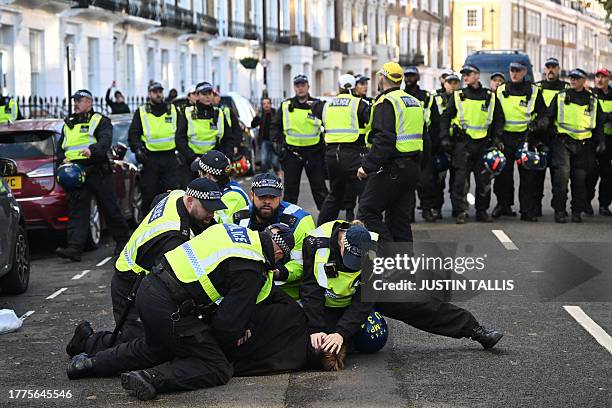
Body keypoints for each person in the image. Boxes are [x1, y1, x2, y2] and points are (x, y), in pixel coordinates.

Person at [66, 223, 296, 401]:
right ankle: (152, 378)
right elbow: (226, 327)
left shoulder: (233, 232)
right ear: (278, 253)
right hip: (170, 306)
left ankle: (87, 364)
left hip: (148, 288)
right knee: (217, 366)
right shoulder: (252, 267)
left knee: (152, 349)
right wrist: (219, 344)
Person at [300, 221, 503, 366]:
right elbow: (310, 289)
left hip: (363, 294)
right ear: (342, 243)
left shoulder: (374, 248)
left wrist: (341, 332)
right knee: (319, 350)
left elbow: (365, 298)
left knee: (417, 304)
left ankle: (475, 330)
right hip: (328, 303)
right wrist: (316, 328)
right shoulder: (315, 243)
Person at [65, 178, 225, 358]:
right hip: (131, 282)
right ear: (190, 201)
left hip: (143, 273)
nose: (212, 214)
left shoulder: (178, 195)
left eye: (214, 208)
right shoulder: (173, 237)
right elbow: (177, 284)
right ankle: (85, 342)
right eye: (207, 208)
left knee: (150, 340)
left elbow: (159, 199)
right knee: (139, 344)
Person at [55, 89, 130, 261]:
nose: (75, 104)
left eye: (79, 100)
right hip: (76, 173)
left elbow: (105, 140)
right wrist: (61, 163)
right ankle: (74, 248)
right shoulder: (69, 123)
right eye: (75, 100)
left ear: (89, 102)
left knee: (109, 208)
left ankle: (123, 243)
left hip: (97, 170)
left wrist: (92, 150)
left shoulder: (100, 121)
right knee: (77, 211)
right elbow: (62, 147)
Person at [356, 62, 424, 242]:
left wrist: (367, 167)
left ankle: (390, 256)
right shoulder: (413, 101)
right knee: (399, 220)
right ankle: (404, 268)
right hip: (411, 167)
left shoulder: (386, 102)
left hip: (392, 168)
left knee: (367, 213)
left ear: (382, 78)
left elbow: (384, 139)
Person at [233, 173, 316, 300]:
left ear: (280, 197)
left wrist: (278, 273)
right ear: (252, 195)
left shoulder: (300, 220)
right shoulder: (239, 218)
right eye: (262, 196)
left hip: (287, 293)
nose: (267, 201)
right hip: (249, 289)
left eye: (272, 197)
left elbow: (302, 264)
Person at [440, 64, 504, 223]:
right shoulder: (458, 95)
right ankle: (460, 211)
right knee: (461, 181)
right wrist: (445, 138)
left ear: (477, 75)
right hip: (463, 144)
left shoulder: (490, 96)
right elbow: (445, 118)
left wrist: (496, 138)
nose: (465, 77)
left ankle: (482, 211)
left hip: (483, 144)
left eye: (468, 74)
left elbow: (498, 119)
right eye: (464, 74)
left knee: (483, 181)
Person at [546, 68, 606, 223]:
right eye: (571, 78)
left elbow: (599, 123)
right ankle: (559, 210)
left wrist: (601, 141)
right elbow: (549, 115)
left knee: (579, 181)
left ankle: (576, 211)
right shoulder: (561, 97)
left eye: (576, 78)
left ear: (583, 80)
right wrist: (540, 125)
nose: (572, 80)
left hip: (584, 144)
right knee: (561, 178)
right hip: (563, 142)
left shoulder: (592, 99)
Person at [493, 61, 548, 221]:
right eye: (512, 70)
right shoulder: (501, 90)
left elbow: (544, 115)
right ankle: (503, 205)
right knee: (503, 176)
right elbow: (495, 116)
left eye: (518, 70)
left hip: (526, 138)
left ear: (524, 72)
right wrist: (496, 137)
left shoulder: (534, 91)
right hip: (506, 138)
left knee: (528, 177)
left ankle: (527, 211)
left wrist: (538, 125)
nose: (514, 74)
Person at [313, 74, 370, 225]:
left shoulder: (327, 105)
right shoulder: (359, 103)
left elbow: (314, 111)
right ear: (353, 86)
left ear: (339, 86)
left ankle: (320, 229)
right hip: (352, 153)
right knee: (365, 194)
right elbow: (371, 122)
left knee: (335, 194)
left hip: (331, 155)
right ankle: (366, 230)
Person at [270, 74, 328, 209]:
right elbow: (274, 127)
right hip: (292, 153)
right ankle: (287, 223)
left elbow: (329, 125)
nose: (300, 88)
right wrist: (279, 148)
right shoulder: (286, 105)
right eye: (297, 86)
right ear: (294, 88)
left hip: (314, 153)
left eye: (303, 85)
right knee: (290, 191)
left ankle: (328, 221)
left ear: (308, 87)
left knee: (320, 189)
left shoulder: (318, 105)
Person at [128, 81, 180, 213]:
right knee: (150, 194)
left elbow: (181, 132)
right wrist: (138, 149)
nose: (158, 94)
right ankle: (148, 223)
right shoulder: (142, 112)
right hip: (150, 159)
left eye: (160, 91)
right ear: (149, 93)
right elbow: (133, 134)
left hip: (170, 158)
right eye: (155, 92)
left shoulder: (172, 110)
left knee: (172, 193)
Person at [175, 81, 239, 183]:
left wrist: (227, 156)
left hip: (214, 161)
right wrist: (192, 157)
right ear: (197, 95)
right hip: (192, 162)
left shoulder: (219, 114)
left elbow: (228, 139)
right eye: (204, 94)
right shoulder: (187, 113)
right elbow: (179, 139)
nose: (208, 96)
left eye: (210, 93)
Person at [403, 66, 440, 222]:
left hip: (425, 142)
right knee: (406, 183)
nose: (409, 78)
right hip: (404, 143)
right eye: (407, 76)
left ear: (418, 78)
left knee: (426, 181)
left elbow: (436, 122)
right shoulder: (400, 96)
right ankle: (408, 213)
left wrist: (436, 145)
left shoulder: (426, 97)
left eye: (412, 76)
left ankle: (426, 209)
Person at [431, 72, 461, 219]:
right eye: (450, 82)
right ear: (444, 83)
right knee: (438, 180)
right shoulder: (435, 99)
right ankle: (436, 208)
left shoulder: (463, 98)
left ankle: (457, 208)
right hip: (440, 145)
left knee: (458, 180)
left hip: (457, 143)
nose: (453, 85)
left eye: (456, 82)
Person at [191, 150, 250, 223]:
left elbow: (217, 226)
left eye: (200, 173)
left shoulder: (233, 196)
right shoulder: (219, 190)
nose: (199, 176)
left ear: (208, 175)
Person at [586, 68, 612, 216]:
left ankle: (604, 204)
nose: (600, 80)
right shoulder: (591, 95)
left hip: (609, 141)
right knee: (591, 173)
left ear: (608, 79)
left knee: (607, 174)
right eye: (597, 77)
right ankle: (587, 203)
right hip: (593, 140)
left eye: (603, 77)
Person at [251, 97, 281, 174]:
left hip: (275, 141)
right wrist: (256, 116)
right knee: (264, 161)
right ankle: (265, 177)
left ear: (271, 104)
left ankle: (278, 177)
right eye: (264, 104)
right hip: (264, 141)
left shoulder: (276, 113)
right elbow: (253, 125)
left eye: (267, 103)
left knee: (275, 162)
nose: (266, 105)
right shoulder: (261, 115)